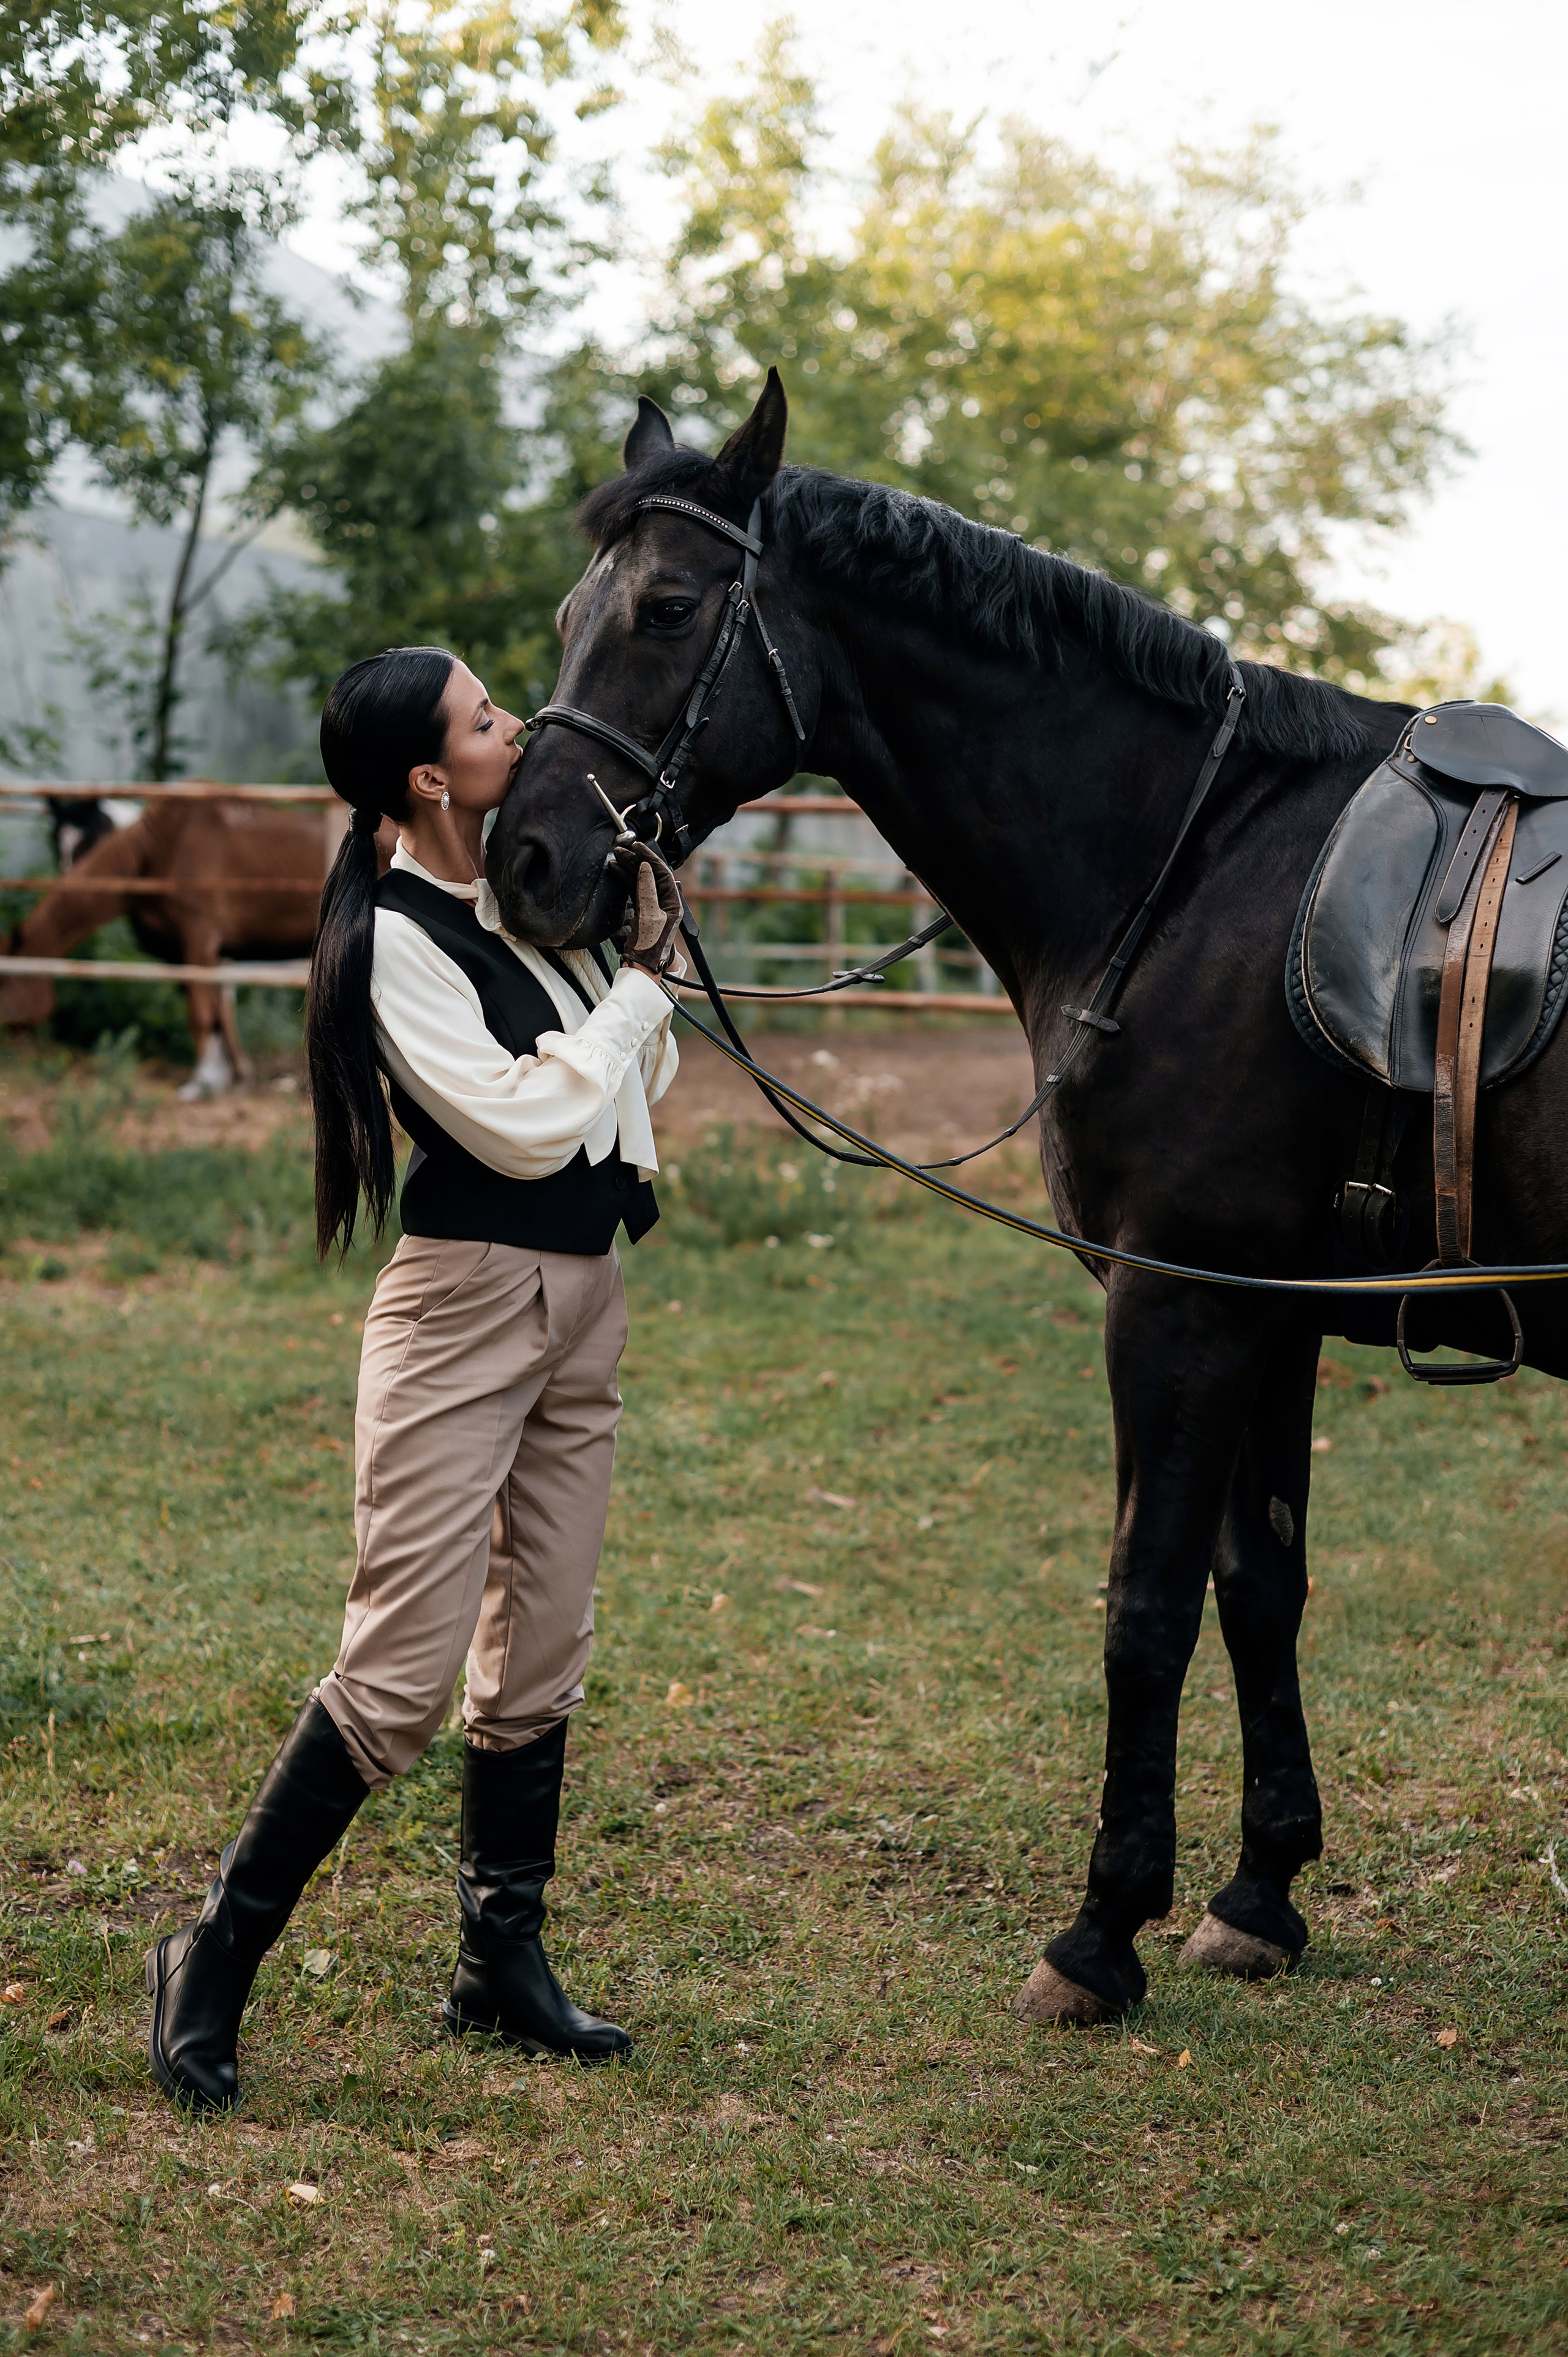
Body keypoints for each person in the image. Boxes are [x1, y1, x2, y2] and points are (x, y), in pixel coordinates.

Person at [145, 644, 684, 2112]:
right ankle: (211, 1956)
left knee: (544, 1645)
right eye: (489, 718)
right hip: (464, 1308)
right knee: (395, 1678)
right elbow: (521, 1126)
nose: (520, 727)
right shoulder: (392, 940)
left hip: (584, 1293)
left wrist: (635, 972)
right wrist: (634, 995)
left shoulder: (520, 906)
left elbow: (626, 1096)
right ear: (431, 778)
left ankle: (498, 1963)